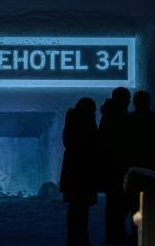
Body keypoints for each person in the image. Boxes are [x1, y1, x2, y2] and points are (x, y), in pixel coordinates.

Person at [61, 97, 99, 246]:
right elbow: (93, 142)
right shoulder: (86, 123)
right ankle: (80, 238)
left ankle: (75, 238)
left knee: (76, 208)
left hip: (74, 171)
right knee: (81, 208)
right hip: (84, 171)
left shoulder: (72, 121)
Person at [98, 87, 132, 243]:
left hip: (111, 167)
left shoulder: (108, 116)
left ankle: (113, 233)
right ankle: (116, 233)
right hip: (119, 167)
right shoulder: (119, 116)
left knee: (113, 203)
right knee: (120, 202)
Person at [129, 91, 155, 211]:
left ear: (134, 102)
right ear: (149, 102)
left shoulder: (129, 120)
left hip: (135, 169)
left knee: (136, 207)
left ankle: (137, 229)